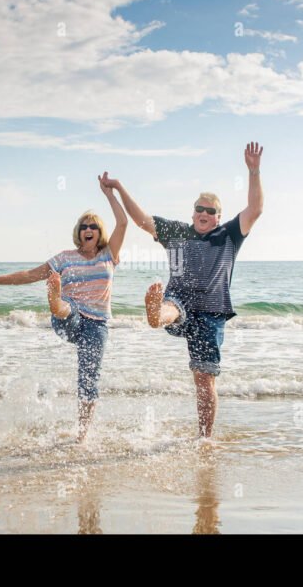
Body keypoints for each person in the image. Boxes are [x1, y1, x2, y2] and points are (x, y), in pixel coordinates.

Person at [115, 142, 264, 438]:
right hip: (179, 300)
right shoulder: (177, 232)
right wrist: (118, 187)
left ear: (218, 217)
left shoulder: (229, 235)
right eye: (200, 208)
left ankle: (204, 438)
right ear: (193, 212)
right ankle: (157, 313)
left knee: (204, 378)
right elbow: (141, 220)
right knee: (172, 307)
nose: (204, 213)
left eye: (211, 211)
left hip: (211, 312)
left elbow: (256, 209)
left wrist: (253, 170)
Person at [0, 172, 128, 442]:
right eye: (84, 226)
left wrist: (110, 192)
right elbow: (31, 274)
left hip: (97, 326)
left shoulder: (108, 255)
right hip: (70, 317)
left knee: (89, 379)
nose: (88, 230)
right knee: (67, 309)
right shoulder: (65, 257)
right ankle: (55, 301)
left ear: (100, 232)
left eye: (93, 227)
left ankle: (82, 436)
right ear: (78, 232)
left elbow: (123, 222)